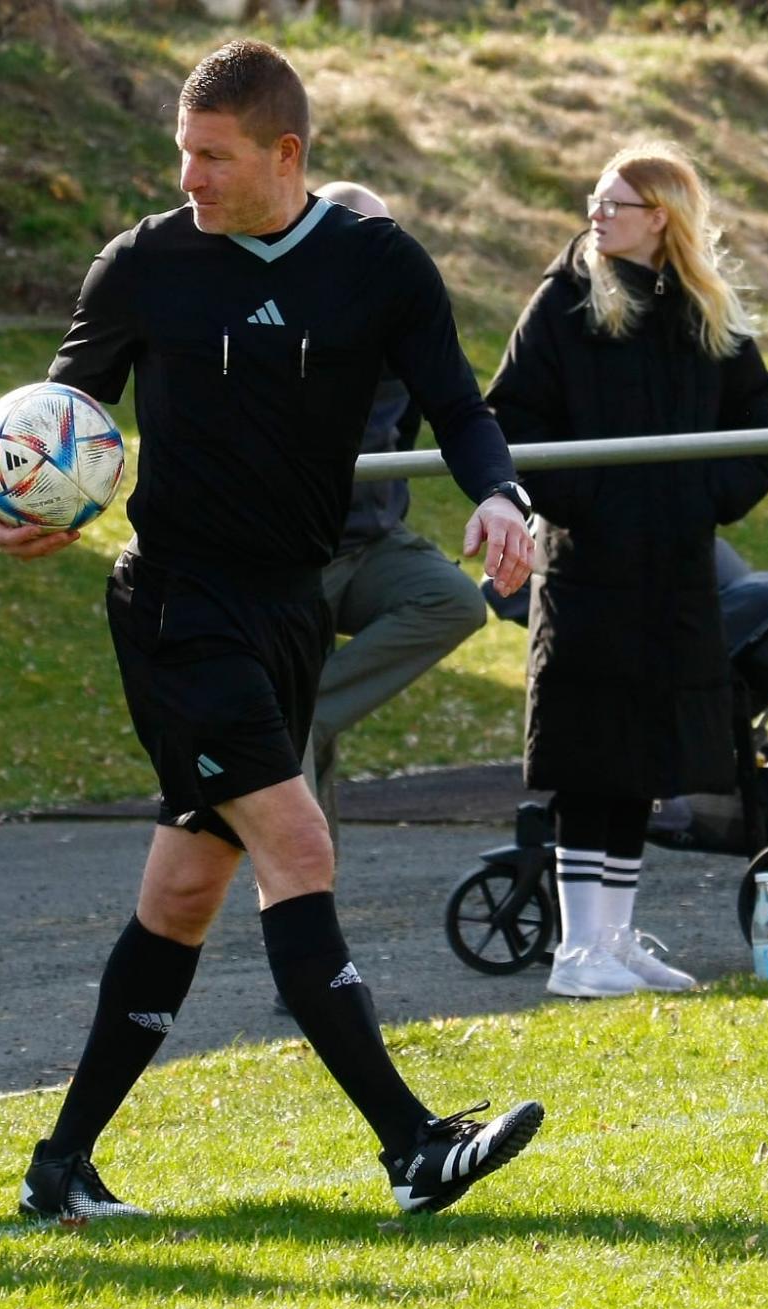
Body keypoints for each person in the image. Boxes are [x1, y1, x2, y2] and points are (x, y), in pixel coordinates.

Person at [0, 39, 543, 1221]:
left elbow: (456, 404)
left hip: (290, 608)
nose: (188, 176)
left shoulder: (376, 265)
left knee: (183, 894)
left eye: (212, 156)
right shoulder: (143, 263)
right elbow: (56, 415)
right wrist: (7, 505)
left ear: (285, 154)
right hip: (178, 606)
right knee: (298, 843)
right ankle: (411, 1147)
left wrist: (498, 493)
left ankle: (58, 1167)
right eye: (181, 152)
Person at [485, 141, 768, 1000]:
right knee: (590, 754)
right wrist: (591, 500)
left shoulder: (703, 311)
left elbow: (761, 424)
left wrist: (702, 498)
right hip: (587, 570)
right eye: (594, 198)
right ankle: (577, 950)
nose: (596, 214)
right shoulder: (564, 301)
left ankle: (614, 939)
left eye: (613, 203)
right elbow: (511, 416)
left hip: (675, 572)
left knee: (644, 757)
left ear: (660, 218)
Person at [303, 180, 486, 837]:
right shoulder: (286, 317)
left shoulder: (405, 317)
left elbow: (441, 415)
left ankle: (308, 712)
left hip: (371, 541)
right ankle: (305, 893)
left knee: (454, 600)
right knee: (292, 764)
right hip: (292, 554)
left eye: (388, 239)